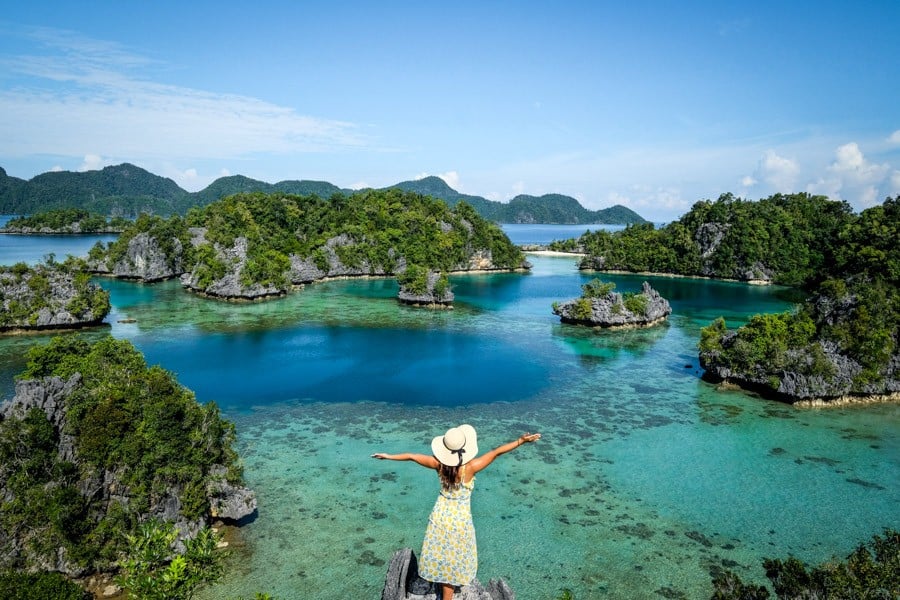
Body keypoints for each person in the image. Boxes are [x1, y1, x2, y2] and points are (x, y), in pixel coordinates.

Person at [371, 424, 541, 600]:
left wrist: (388, 456)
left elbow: (412, 456)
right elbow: (496, 452)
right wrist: (521, 441)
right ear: (465, 448)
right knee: (454, 557)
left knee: (442, 552)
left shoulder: (438, 464)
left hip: (440, 516)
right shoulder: (471, 467)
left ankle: (443, 582)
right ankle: (447, 593)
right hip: (459, 520)